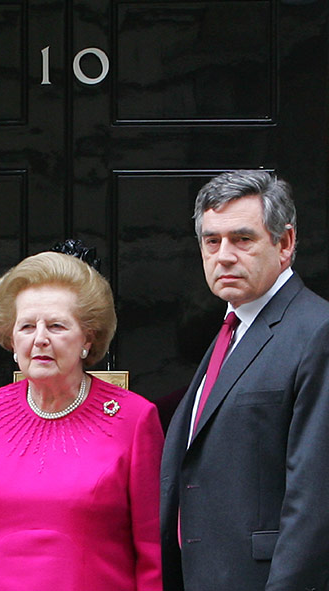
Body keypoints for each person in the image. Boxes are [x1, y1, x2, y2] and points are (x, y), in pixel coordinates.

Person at [0, 246, 164, 591]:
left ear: (88, 336)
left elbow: (153, 555)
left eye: (56, 325)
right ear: (11, 339)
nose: (40, 339)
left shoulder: (135, 418)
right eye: (26, 326)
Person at [160, 170, 329, 591]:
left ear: (285, 243)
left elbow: (315, 495)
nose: (224, 255)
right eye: (211, 241)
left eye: (243, 239)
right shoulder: (232, 329)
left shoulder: (316, 331)